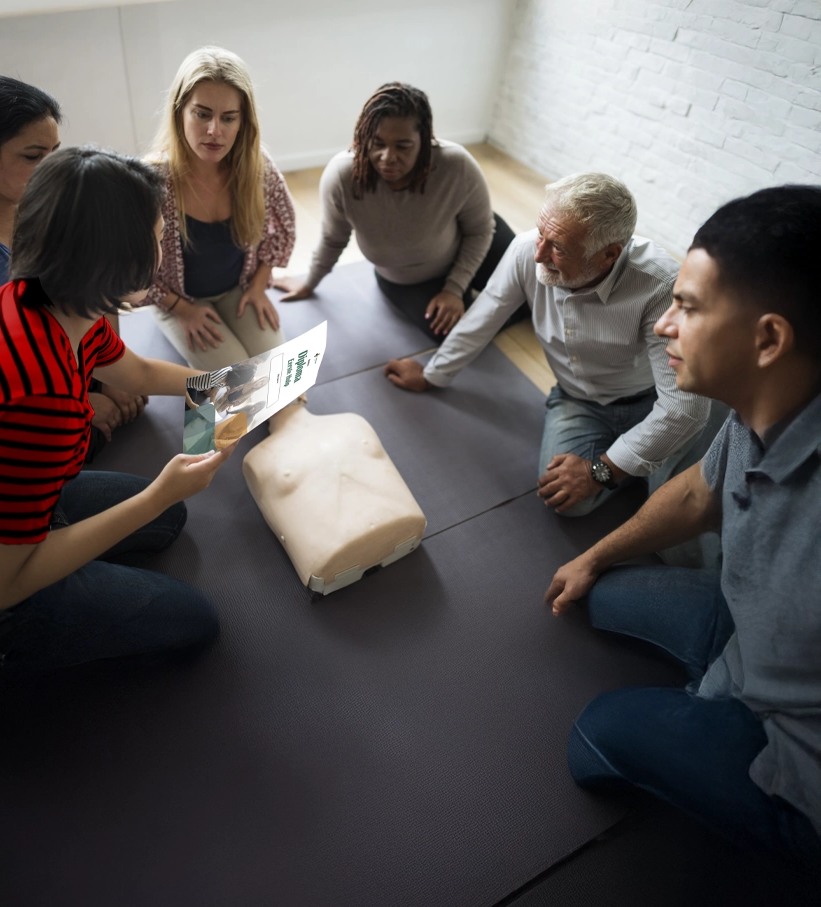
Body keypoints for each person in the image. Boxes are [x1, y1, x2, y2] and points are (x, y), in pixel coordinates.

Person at [0, 147, 234, 728]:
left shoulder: (45, 301)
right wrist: (157, 494)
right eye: (160, 236)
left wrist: (222, 386)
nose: (165, 248)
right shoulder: (39, 395)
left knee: (168, 524)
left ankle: (69, 540)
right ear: (119, 258)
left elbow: (135, 373)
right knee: (196, 621)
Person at [545, 185, 821, 867]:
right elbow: (698, 494)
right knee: (602, 591)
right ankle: (714, 689)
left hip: (792, 762)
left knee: (595, 739)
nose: (665, 324)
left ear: (768, 339)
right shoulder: (759, 408)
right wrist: (594, 557)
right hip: (744, 635)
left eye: (688, 307)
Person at [384, 172, 710, 519]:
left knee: (676, 510)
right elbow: (487, 312)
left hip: (652, 401)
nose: (539, 255)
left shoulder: (660, 286)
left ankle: (636, 465)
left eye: (558, 248)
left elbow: (684, 408)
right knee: (567, 501)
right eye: (542, 233)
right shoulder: (527, 250)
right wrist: (433, 374)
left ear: (608, 255)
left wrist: (599, 471)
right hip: (578, 400)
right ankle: (636, 465)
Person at [0, 74, 141, 445]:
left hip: (56, 350)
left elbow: (92, 293)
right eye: (33, 156)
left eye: (55, 151)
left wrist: (109, 375)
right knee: (72, 440)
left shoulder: (44, 195)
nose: (51, 167)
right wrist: (81, 400)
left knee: (129, 405)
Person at [275, 82, 518, 342]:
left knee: (531, 296)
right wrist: (308, 283)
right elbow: (333, 238)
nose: (387, 157)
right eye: (377, 143)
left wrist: (455, 289)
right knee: (456, 336)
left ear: (424, 141)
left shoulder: (456, 165)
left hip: (477, 244)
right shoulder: (343, 176)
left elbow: (480, 230)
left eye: (403, 146)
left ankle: (484, 293)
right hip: (411, 279)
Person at [139, 46, 294, 370]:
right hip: (177, 299)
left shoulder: (257, 167)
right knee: (234, 387)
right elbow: (129, 269)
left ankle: (289, 420)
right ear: (180, 111)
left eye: (228, 118)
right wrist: (182, 309)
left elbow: (285, 228)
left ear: (243, 121)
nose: (214, 131)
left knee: (281, 377)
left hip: (238, 289)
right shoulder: (151, 180)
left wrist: (258, 285)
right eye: (202, 113)